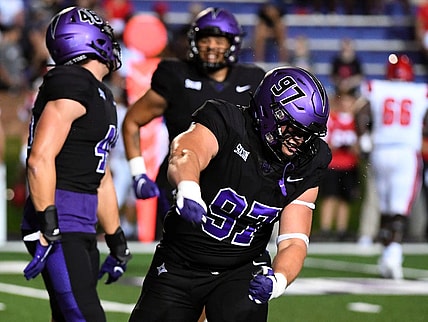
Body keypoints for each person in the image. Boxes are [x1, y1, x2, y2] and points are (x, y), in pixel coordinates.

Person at [128, 66, 332, 322]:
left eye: (307, 134)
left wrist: (278, 280)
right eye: (292, 129)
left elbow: (294, 240)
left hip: (242, 267)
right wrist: (188, 187)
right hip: (181, 262)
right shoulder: (226, 121)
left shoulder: (310, 160)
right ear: (270, 112)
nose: (299, 140)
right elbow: (185, 151)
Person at [20, 7, 132, 321]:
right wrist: (48, 221)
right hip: (60, 216)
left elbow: (101, 173)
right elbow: (40, 157)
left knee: (68, 315)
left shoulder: (100, 93)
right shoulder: (72, 83)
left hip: (81, 220)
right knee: (84, 315)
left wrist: (115, 238)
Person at [122, 7, 266, 240]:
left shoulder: (252, 79)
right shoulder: (175, 74)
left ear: (233, 43)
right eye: (205, 39)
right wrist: (138, 172)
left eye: (219, 40)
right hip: (180, 181)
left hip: (233, 190)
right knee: (176, 259)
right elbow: (132, 121)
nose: (211, 46)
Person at [357, 53, 428, 279]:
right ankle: (393, 257)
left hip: (381, 151)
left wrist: (364, 138)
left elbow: (361, 112)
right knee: (399, 210)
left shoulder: (377, 87)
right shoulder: (420, 91)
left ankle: (387, 253)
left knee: (387, 208)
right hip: (406, 152)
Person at [318, 93, 360, 242]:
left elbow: (361, 146)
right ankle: (325, 228)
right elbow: (325, 142)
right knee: (329, 197)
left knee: (345, 199)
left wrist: (354, 146)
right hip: (333, 164)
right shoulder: (332, 118)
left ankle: (342, 229)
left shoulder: (357, 121)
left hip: (349, 164)